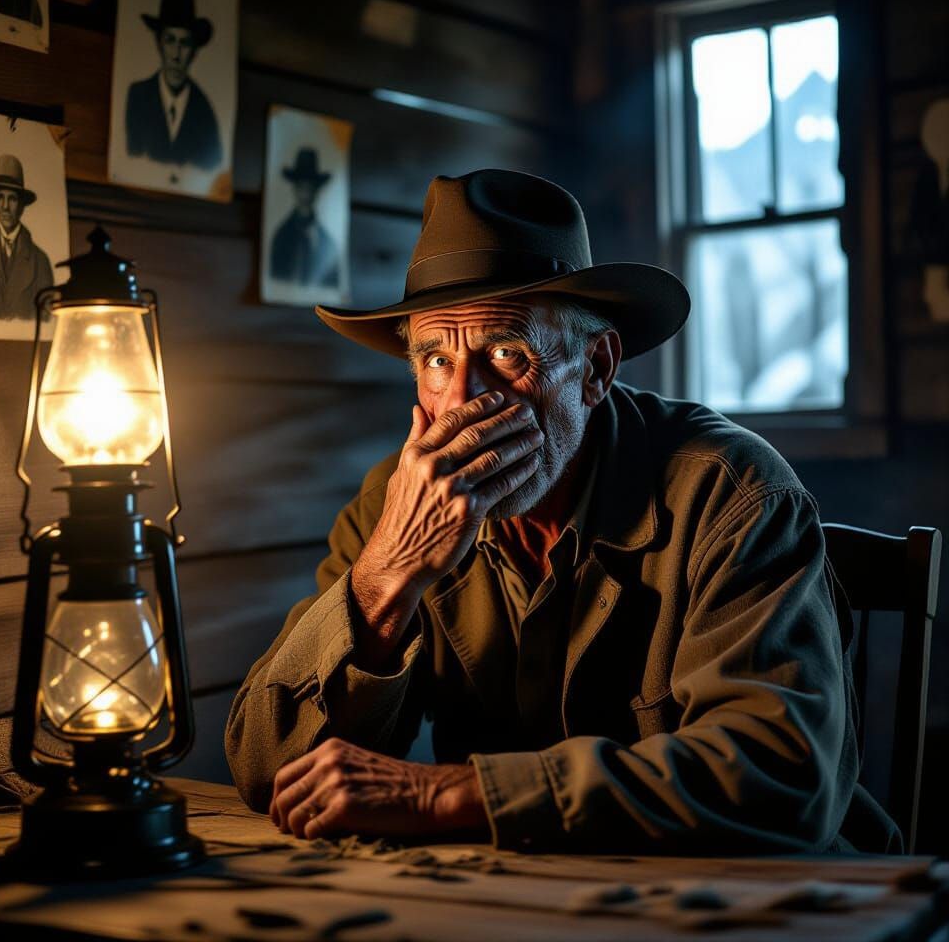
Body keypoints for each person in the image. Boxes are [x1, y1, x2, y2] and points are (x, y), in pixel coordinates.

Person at [226, 169, 900, 854]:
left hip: (772, 895)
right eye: (435, 360)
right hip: (526, 894)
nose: (462, 403)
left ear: (596, 368)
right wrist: (388, 575)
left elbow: (777, 776)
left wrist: (449, 795)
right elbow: (266, 768)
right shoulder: (394, 506)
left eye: (505, 352)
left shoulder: (732, 492)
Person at [125, 0, 222, 170]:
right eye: (170, 40)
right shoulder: (138, 96)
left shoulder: (204, 112)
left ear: (194, 51)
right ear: (159, 43)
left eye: (184, 43)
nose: (176, 54)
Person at [0, 154, 53, 322]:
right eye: (1, 197)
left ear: (22, 205)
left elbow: (46, 320)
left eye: (12, 198)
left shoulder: (40, 262)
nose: (5, 206)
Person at [269, 147, 341, 287]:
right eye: (301, 187)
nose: (306, 194)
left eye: (310, 187)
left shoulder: (328, 243)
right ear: (294, 189)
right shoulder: (281, 237)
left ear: (316, 190)